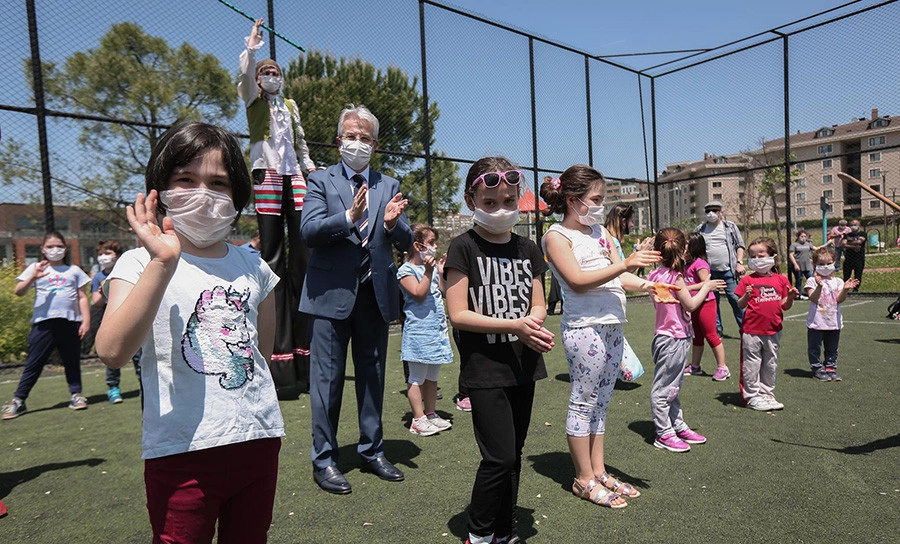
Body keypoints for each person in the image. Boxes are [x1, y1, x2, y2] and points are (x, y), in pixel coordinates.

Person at [95, 122, 284, 542]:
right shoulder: (138, 262)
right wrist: (162, 262)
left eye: (219, 183)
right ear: (159, 188)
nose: (203, 192)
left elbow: (261, 357)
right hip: (179, 452)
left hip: (257, 439)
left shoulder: (255, 267)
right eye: (186, 179)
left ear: (237, 195)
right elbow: (110, 350)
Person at [300, 104, 413, 495]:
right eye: (351, 136)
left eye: (365, 138)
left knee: (373, 378)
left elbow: (408, 240)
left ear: (376, 144)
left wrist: (392, 224)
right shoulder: (320, 180)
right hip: (329, 297)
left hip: (374, 295)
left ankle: (372, 450)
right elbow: (309, 230)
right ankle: (325, 460)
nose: (357, 143)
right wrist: (348, 217)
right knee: (327, 382)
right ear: (338, 141)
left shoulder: (389, 185)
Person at [444, 157, 555, 544]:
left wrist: (534, 322)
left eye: (509, 200)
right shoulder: (462, 247)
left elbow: (539, 302)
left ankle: (505, 531)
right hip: (484, 370)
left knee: (514, 455)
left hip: (523, 367)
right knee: (499, 457)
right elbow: (457, 314)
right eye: (490, 203)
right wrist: (514, 325)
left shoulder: (527, 248)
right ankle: (477, 535)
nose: (501, 209)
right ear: (470, 198)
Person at [540, 166, 662, 508]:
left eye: (601, 198)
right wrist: (626, 264)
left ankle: (598, 470)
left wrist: (651, 283)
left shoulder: (599, 233)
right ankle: (582, 479)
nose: (599, 205)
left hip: (612, 326)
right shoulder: (556, 236)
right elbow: (578, 280)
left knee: (602, 403)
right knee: (583, 401)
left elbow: (619, 279)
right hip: (585, 330)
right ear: (571, 199)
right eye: (595, 199)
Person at [239, 18, 317, 389]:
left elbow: (299, 141)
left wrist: (310, 167)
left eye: (275, 71)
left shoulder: (289, 104)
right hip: (266, 175)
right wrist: (252, 49)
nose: (270, 75)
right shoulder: (252, 99)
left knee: (302, 253)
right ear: (257, 78)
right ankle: (278, 356)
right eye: (264, 72)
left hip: (294, 175)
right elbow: (242, 77)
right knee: (273, 258)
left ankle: (306, 353)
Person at [647, 229, 724, 452]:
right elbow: (690, 304)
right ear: (683, 249)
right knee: (664, 389)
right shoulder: (675, 277)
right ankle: (663, 433)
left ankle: (676, 424)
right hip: (674, 339)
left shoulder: (655, 275)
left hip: (665, 337)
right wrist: (707, 287)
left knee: (673, 386)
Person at [3, 232, 91, 420]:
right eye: (50, 247)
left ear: (65, 248)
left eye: (59, 246)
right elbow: (19, 291)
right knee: (34, 363)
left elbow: (82, 296)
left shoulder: (74, 270)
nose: (54, 250)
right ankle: (18, 400)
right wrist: (33, 277)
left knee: (72, 361)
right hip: (44, 324)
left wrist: (86, 321)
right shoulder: (35, 268)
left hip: (70, 323)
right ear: (42, 249)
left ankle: (76, 395)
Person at [398, 224, 454, 436]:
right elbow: (419, 293)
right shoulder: (405, 271)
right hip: (418, 334)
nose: (435, 246)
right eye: (431, 242)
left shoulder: (430, 270)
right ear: (417, 245)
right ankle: (418, 419)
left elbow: (445, 292)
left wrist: (440, 272)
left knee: (432, 377)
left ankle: (431, 414)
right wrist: (429, 272)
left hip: (436, 332)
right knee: (416, 378)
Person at [736, 237, 799, 411]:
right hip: (751, 331)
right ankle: (752, 396)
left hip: (773, 331)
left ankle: (767, 394)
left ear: (772, 256)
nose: (757, 259)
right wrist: (746, 297)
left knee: (770, 364)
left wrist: (791, 297)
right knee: (752, 365)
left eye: (761, 255)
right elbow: (740, 305)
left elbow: (784, 306)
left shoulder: (781, 279)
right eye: (753, 256)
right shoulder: (747, 281)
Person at [603, 202, 653, 381]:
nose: (632, 225)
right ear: (623, 221)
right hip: (607, 303)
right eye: (631, 221)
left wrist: (637, 253)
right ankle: (621, 367)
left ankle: (618, 367)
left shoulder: (609, 239)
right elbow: (621, 274)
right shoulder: (610, 240)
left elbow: (621, 273)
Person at [89, 239, 141, 404]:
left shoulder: (127, 270)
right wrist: (103, 292)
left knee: (139, 356)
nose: (104, 257)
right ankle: (113, 388)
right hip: (110, 318)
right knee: (112, 354)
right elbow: (96, 302)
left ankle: (144, 384)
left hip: (130, 316)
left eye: (108, 253)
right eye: (100, 254)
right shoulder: (98, 277)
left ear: (117, 256)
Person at [804, 247, 859, 381]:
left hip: (834, 322)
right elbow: (813, 298)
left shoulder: (838, 281)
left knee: (832, 348)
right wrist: (819, 286)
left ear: (834, 263)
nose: (825, 267)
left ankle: (830, 367)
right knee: (814, 347)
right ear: (815, 265)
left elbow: (839, 299)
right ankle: (817, 368)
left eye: (828, 263)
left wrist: (845, 289)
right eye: (821, 264)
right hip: (816, 323)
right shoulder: (812, 281)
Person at [694, 200, 745, 336]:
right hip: (708, 273)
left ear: (721, 212)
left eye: (714, 211)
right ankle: (717, 330)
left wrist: (739, 262)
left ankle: (745, 328)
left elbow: (740, 245)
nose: (711, 214)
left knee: (736, 299)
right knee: (712, 301)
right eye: (708, 211)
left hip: (728, 270)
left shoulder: (730, 226)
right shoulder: (700, 229)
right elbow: (694, 247)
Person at [683, 232, 730, 380]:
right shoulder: (687, 264)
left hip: (706, 303)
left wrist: (688, 289)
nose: (683, 250)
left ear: (694, 247)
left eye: (685, 246)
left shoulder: (700, 264)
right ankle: (695, 366)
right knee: (697, 336)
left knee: (711, 335)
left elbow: (706, 284)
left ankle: (723, 367)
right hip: (694, 304)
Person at [788, 230, 822, 297]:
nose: (803, 238)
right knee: (799, 280)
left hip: (808, 266)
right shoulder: (794, 245)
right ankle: (798, 295)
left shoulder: (808, 244)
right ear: (798, 237)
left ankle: (813, 293)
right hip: (798, 265)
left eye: (805, 236)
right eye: (802, 236)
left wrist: (827, 244)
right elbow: (791, 255)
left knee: (812, 278)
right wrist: (795, 264)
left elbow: (816, 248)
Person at [842, 219, 866, 291]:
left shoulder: (863, 234)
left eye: (855, 225)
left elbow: (859, 241)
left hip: (859, 258)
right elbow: (843, 244)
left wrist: (848, 243)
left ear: (859, 226)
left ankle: (855, 289)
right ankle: (845, 289)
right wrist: (854, 246)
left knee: (858, 275)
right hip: (848, 258)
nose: (853, 226)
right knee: (846, 275)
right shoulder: (847, 235)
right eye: (852, 225)